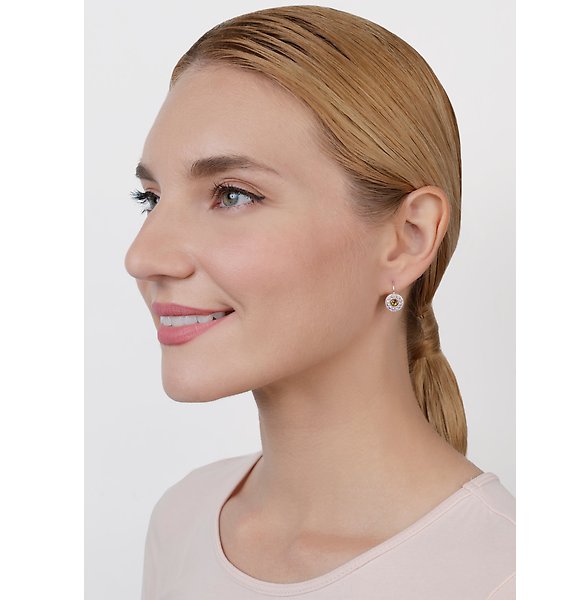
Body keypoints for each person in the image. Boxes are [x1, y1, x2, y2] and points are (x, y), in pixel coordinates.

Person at [124, 5, 515, 599]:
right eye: (151, 199)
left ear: (407, 238)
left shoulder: (508, 573)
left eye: (232, 194)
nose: (143, 256)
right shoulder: (182, 521)